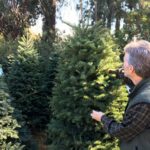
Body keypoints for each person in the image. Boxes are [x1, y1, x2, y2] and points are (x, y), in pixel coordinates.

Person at [91, 40, 150, 150]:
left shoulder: (144, 103)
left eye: (124, 62)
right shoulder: (144, 78)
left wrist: (102, 118)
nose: (122, 65)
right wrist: (111, 72)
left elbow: (123, 131)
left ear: (131, 69)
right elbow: (126, 75)